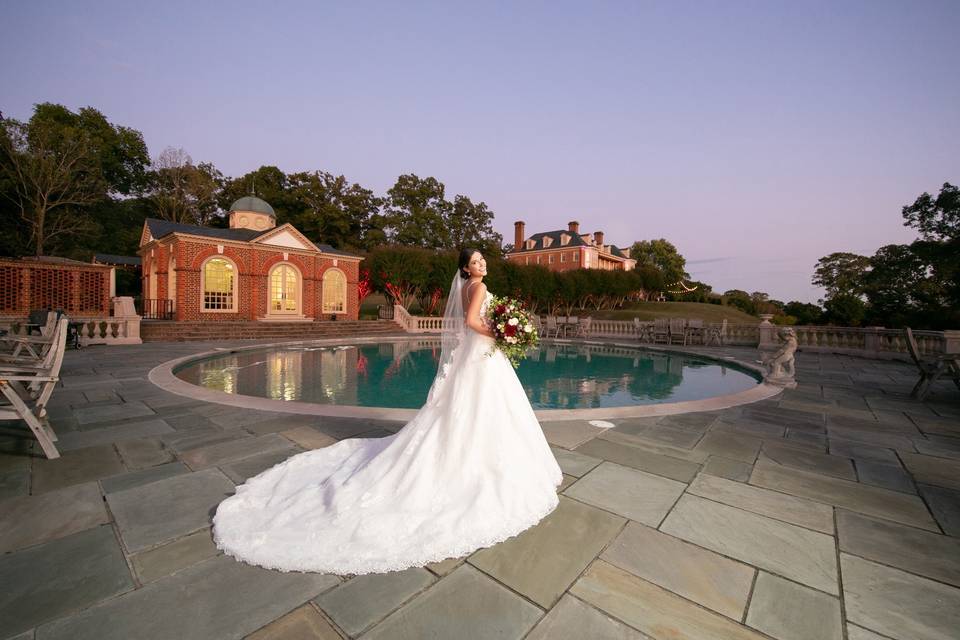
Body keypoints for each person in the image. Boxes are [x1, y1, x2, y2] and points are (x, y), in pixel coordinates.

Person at [212, 248, 563, 574]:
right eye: (475, 261)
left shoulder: (468, 287)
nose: (482, 264)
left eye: (483, 260)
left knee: (472, 407)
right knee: (483, 407)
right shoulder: (479, 288)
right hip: (481, 351)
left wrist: (501, 330)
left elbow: (467, 320)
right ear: (466, 268)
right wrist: (500, 331)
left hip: (476, 355)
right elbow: (472, 322)